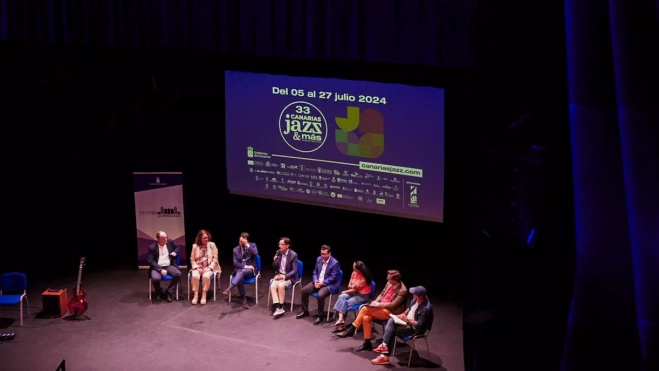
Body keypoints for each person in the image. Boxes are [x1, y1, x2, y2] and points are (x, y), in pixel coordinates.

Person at [336, 270, 408, 351]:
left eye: (389, 279)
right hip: (380, 308)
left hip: (391, 313)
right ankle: (367, 343)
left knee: (364, 309)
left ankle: (352, 329)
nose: (387, 280)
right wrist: (375, 302)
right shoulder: (389, 284)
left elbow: (393, 305)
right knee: (366, 318)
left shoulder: (403, 290)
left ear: (395, 280)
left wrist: (378, 305)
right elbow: (382, 293)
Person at [371, 286, 434, 365]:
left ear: (420, 296)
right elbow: (410, 308)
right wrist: (403, 314)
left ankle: (385, 355)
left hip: (415, 329)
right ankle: (384, 347)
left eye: (414, 293)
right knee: (391, 320)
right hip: (407, 321)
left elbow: (418, 326)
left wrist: (406, 319)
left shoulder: (426, 309)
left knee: (392, 330)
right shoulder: (416, 299)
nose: (412, 295)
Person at [297, 245, 341, 324]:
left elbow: (333, 278)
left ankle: (320, 316)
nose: (322, 256)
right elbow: (315, 271)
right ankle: (305, 311)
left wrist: (322, 283)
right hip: (318, 282)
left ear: (329, 254)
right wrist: (315, 280)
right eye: (321, 254)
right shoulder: (319, 259)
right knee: (304, 290)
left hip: (329, 284)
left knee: (320, 295)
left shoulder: (335, 263)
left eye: (324, 254)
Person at [331, 261, 372, 328]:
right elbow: (349, 285)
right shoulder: (354, 273)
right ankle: (340, 320)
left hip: (362, 296)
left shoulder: (364, 278)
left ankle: (340, 324)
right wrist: (352, 287)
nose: (352, 268)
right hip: (353, 292)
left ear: (357, 269)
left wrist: (346, 291)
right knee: (341, 297)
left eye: (354, 266)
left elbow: (355, 289)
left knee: (346, 302)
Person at [222, 232, 258, 309]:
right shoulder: (235, 249)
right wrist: (246, 266)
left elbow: (255, 253)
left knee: (241, 273)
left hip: (250, 271)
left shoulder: (252, 245)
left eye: (242, 241)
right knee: (240, 275)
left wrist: (247, 244)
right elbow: (236, 263)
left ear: (246, 240)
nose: (240, 242)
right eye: (239, 241)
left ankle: (230, 289)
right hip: (241, 269)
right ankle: (244, 300)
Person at [147, 231, 182, 303]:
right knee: (155, 278)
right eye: (164, 238)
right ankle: (158, 291)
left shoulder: (170, 242)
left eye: (166, 237)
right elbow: (151, 261)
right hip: (157, 268)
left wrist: (175, 252)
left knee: (178, 274)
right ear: (158, 239)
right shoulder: (152, 247)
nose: (166, 239)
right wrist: (160, 270)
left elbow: (177, 247)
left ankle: (168, 292)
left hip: (168, 265)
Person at [189, 229, 221, 305]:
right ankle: (196, 295)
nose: (206, 239)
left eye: (207, 237)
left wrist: (209, 268)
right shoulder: (195, 246)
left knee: (206, 276)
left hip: (209, 267)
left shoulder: (212, 245)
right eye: (204, 238)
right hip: (198, 267)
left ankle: (204, 294)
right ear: (200, 238)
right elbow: (192, 259)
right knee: (195, 276)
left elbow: (215, 258)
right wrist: (197, 268)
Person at [270, 237, 299, 318]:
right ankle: (278, 306)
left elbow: (294, 271)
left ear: (287, 245)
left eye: (281, 244)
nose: (279, 246)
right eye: (279, 244)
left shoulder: (293, 255)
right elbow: (274, 267)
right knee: (272, 285)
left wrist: (284, 276)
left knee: (280, 286)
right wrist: (275, 260)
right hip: (280, 274)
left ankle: (280, 306)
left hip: (289, 276)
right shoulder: (279, 253)